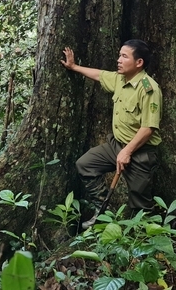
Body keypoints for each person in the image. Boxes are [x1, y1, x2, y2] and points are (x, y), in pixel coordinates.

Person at [61, 40, 162, 228]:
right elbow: (100, 75)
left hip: (141, 153)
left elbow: (148, 128)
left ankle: (145, 242)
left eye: (124, 56)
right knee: (85, 164)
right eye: (119, 55)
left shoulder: (149, 88)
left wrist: (128, 152)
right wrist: (74, 66)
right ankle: (102, 211)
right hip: (116, 145)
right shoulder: (120, 79)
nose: (119, 60)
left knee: (140, 205)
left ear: (138, 62)